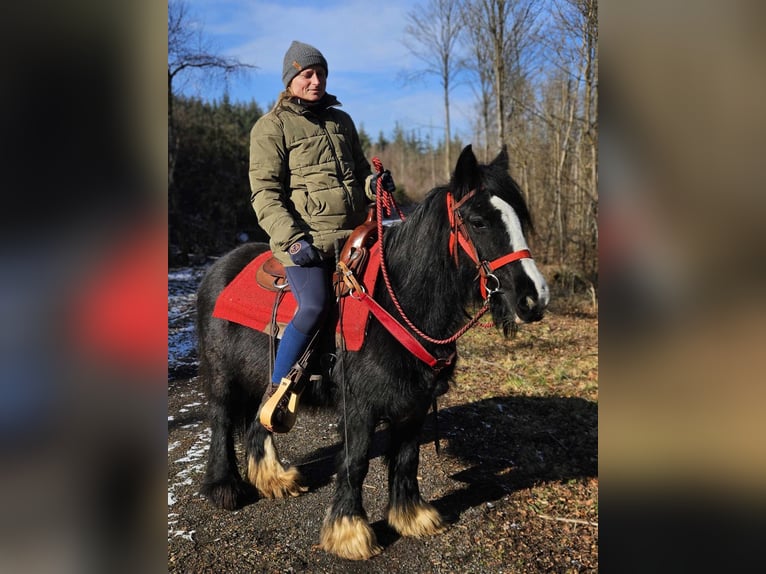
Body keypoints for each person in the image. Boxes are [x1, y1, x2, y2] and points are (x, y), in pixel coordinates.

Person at [248, 40, 395, 408]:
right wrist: (293, 240)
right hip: (303, 240)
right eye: (308, 74)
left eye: (322, 74)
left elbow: (359, 173)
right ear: (291, 79)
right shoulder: (271, 127)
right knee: (314, 305)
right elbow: (264, 194)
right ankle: (277, 391)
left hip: (352, 236)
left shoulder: (341, 121)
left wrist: (373, 185)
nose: (316, 81)